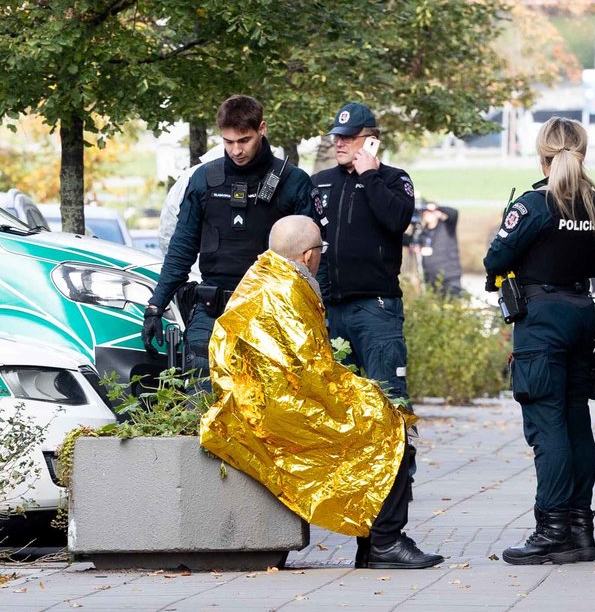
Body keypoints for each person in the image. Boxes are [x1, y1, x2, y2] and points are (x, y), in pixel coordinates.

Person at [199, 216, 442, 569]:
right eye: (320, 251)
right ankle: (385, 541)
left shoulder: (266, 276)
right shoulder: (285, 292)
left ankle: (374, 541)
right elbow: (309, 370)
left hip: (264, 399)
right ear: (307, 255)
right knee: (390, 427)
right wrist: (361, 392)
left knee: (379, 417)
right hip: (279, 408)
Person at [485, 117, 595, 565]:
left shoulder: (534, 204)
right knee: (576, 421)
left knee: (549, 425)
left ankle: (553, 528)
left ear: (542, 153)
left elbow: (495, 256)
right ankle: (580, 529)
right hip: (583, 313)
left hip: (542, 320)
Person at [143, 95, 318, 379]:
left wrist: (317, 314)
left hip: (270, 311)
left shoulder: (292, 182)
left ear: (262, 129)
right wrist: (155, 307)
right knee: (199, 399)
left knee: (266, 408)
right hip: (213, 309)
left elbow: (313, 257)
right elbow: (181, 250)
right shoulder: (203, 180)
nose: (236, 150)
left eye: (244, 140)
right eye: (228, 141)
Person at [312, 102, 417, 401]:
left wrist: (369, 175)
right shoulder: (321, 182)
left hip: (376, 309)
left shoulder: (394, 179)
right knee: (339, 402)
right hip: (333, 309)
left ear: (371, 140)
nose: (339, 142)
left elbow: (397, 220)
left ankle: (402, 450)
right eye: (337, 136)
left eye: (349, 136)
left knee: (388, 397)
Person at [417, 201, 464, 297]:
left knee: (452, 306)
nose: (427, 214)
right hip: (431, 279)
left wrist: (437, 207)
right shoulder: (423, 233)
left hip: (449, 278)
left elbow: (454, 213)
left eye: (430, 212)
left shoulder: (447, 227)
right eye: (425, 212)